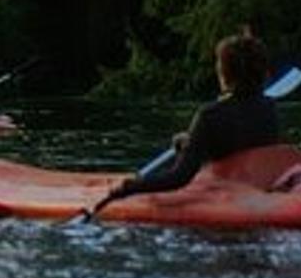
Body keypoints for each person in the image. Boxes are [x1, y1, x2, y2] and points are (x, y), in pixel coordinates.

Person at [99, 32, 280, 206]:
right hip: (254, 188)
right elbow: (241, 147)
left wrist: (129, 187)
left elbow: (178, 178)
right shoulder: (269, 108)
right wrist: (192, 145)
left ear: (225, 72)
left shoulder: (210, 115)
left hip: (225, 195)